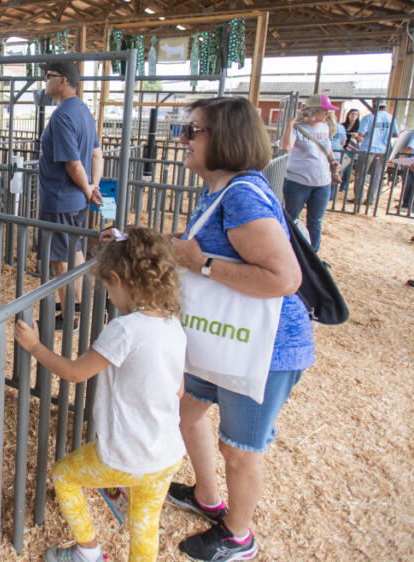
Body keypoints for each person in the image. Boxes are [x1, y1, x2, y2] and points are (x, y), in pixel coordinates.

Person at [168, 96, 314, 562]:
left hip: (262, 348)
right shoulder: (222, 192)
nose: (182, 139)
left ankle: (239, 536)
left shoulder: (244, 195)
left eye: (193, 130)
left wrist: (203, 264)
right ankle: (208, 497)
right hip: (223, 337)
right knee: (187, 413)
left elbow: (284, 279)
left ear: (224, 138)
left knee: (241, 449)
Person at [15, 227, 186, 562]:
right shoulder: (171, 323)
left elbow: (76, 372)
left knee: (64, 476)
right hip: (166, 455)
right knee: (144, 525)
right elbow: (179, 389)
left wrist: (35, 346)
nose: (109, 295)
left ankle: (88, 552)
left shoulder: (123, 330)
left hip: (127, 452)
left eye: (107, 287)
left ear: (117, 280)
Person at [37, 60, 104, 330]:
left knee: (58, 257)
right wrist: (93, 186)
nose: (45, 81)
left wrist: (88, 188)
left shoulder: (63, 115)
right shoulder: (84, 111)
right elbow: (96, 153)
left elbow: (73, 163)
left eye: (48, 76)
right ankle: (76, 302)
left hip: (60, 198)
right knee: (74, 249)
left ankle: (69, 318)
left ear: (63, 81)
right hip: (76, 200)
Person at [280, 93, 339, 252]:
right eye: (324, 110)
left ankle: (313, 257)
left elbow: (328, 148)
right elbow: (286, 146)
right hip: (298, 182)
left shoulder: (324, 127)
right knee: (292, 219)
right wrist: (289, 126)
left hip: (322, 183)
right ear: (314, 110)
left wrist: (333, 161)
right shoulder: (297, 128)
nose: (327, 114)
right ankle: (290, 252)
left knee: (315, 222)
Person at [355, 100, 398, 206]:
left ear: (374, 105)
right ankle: (371, 200)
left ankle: (359, 198)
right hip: (383, 149)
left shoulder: (369, 117)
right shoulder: (391, 118)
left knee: (361, 174)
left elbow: (361, 133)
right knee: (377, 175)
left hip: (368, 148)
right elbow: (395, 134)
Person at [338, 108, 361, 193]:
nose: (354, 116)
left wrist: (357, 136)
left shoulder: (359, 127)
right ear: (348, 115)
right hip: (342, 148)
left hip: (352, 150)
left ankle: (343, 187)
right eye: (352, 114)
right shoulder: (343, 125)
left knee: (348, 169)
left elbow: (362, 139)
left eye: (356, 114)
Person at [330, 117, 346, 200]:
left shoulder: (322, 125)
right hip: (336, 154)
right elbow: (343, 142)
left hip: (325, 154)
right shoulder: (340, 127)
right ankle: (331, 196)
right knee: (334, 174)